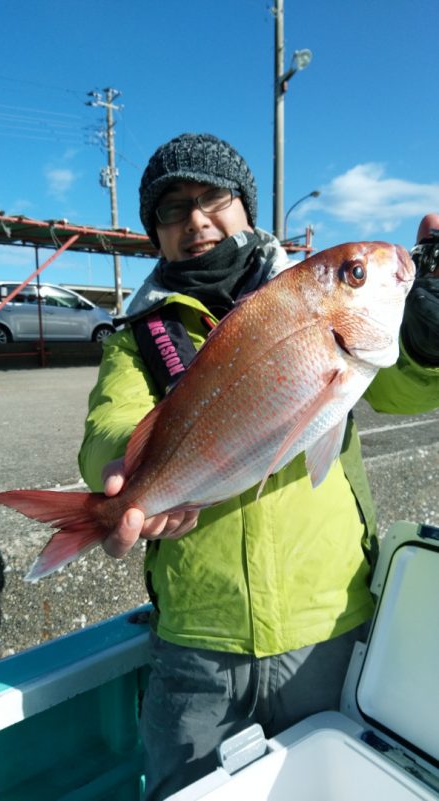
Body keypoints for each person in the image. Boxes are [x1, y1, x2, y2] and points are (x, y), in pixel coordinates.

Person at [78, 133, 439, 801]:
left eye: (214, 197)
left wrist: (427, 334)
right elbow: (108, 425)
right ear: (155, 233)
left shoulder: (309, 300)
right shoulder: (139, 336)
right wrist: (125, 478)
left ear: (246, 206)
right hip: (195, 641)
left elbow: (408, 387)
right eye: (172, 209)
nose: (195, 220)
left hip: (327, 623)